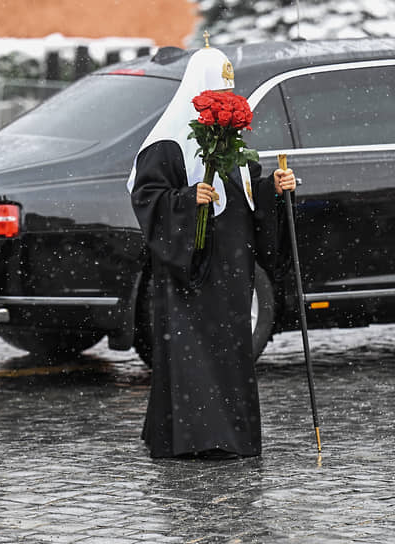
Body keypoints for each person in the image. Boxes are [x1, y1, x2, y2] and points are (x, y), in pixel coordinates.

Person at [127, 46, 296, 459]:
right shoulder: (168, 141)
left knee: (229, 349)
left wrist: (276, 187)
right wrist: (185, 201)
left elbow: (244, 195)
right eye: (218, 87)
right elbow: (148, 195)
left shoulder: (230, 142)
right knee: (193, 352)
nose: (227, 94)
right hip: (193, 267)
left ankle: (230, 436)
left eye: (229, 87)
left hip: (233, 266)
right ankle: (197, 438)